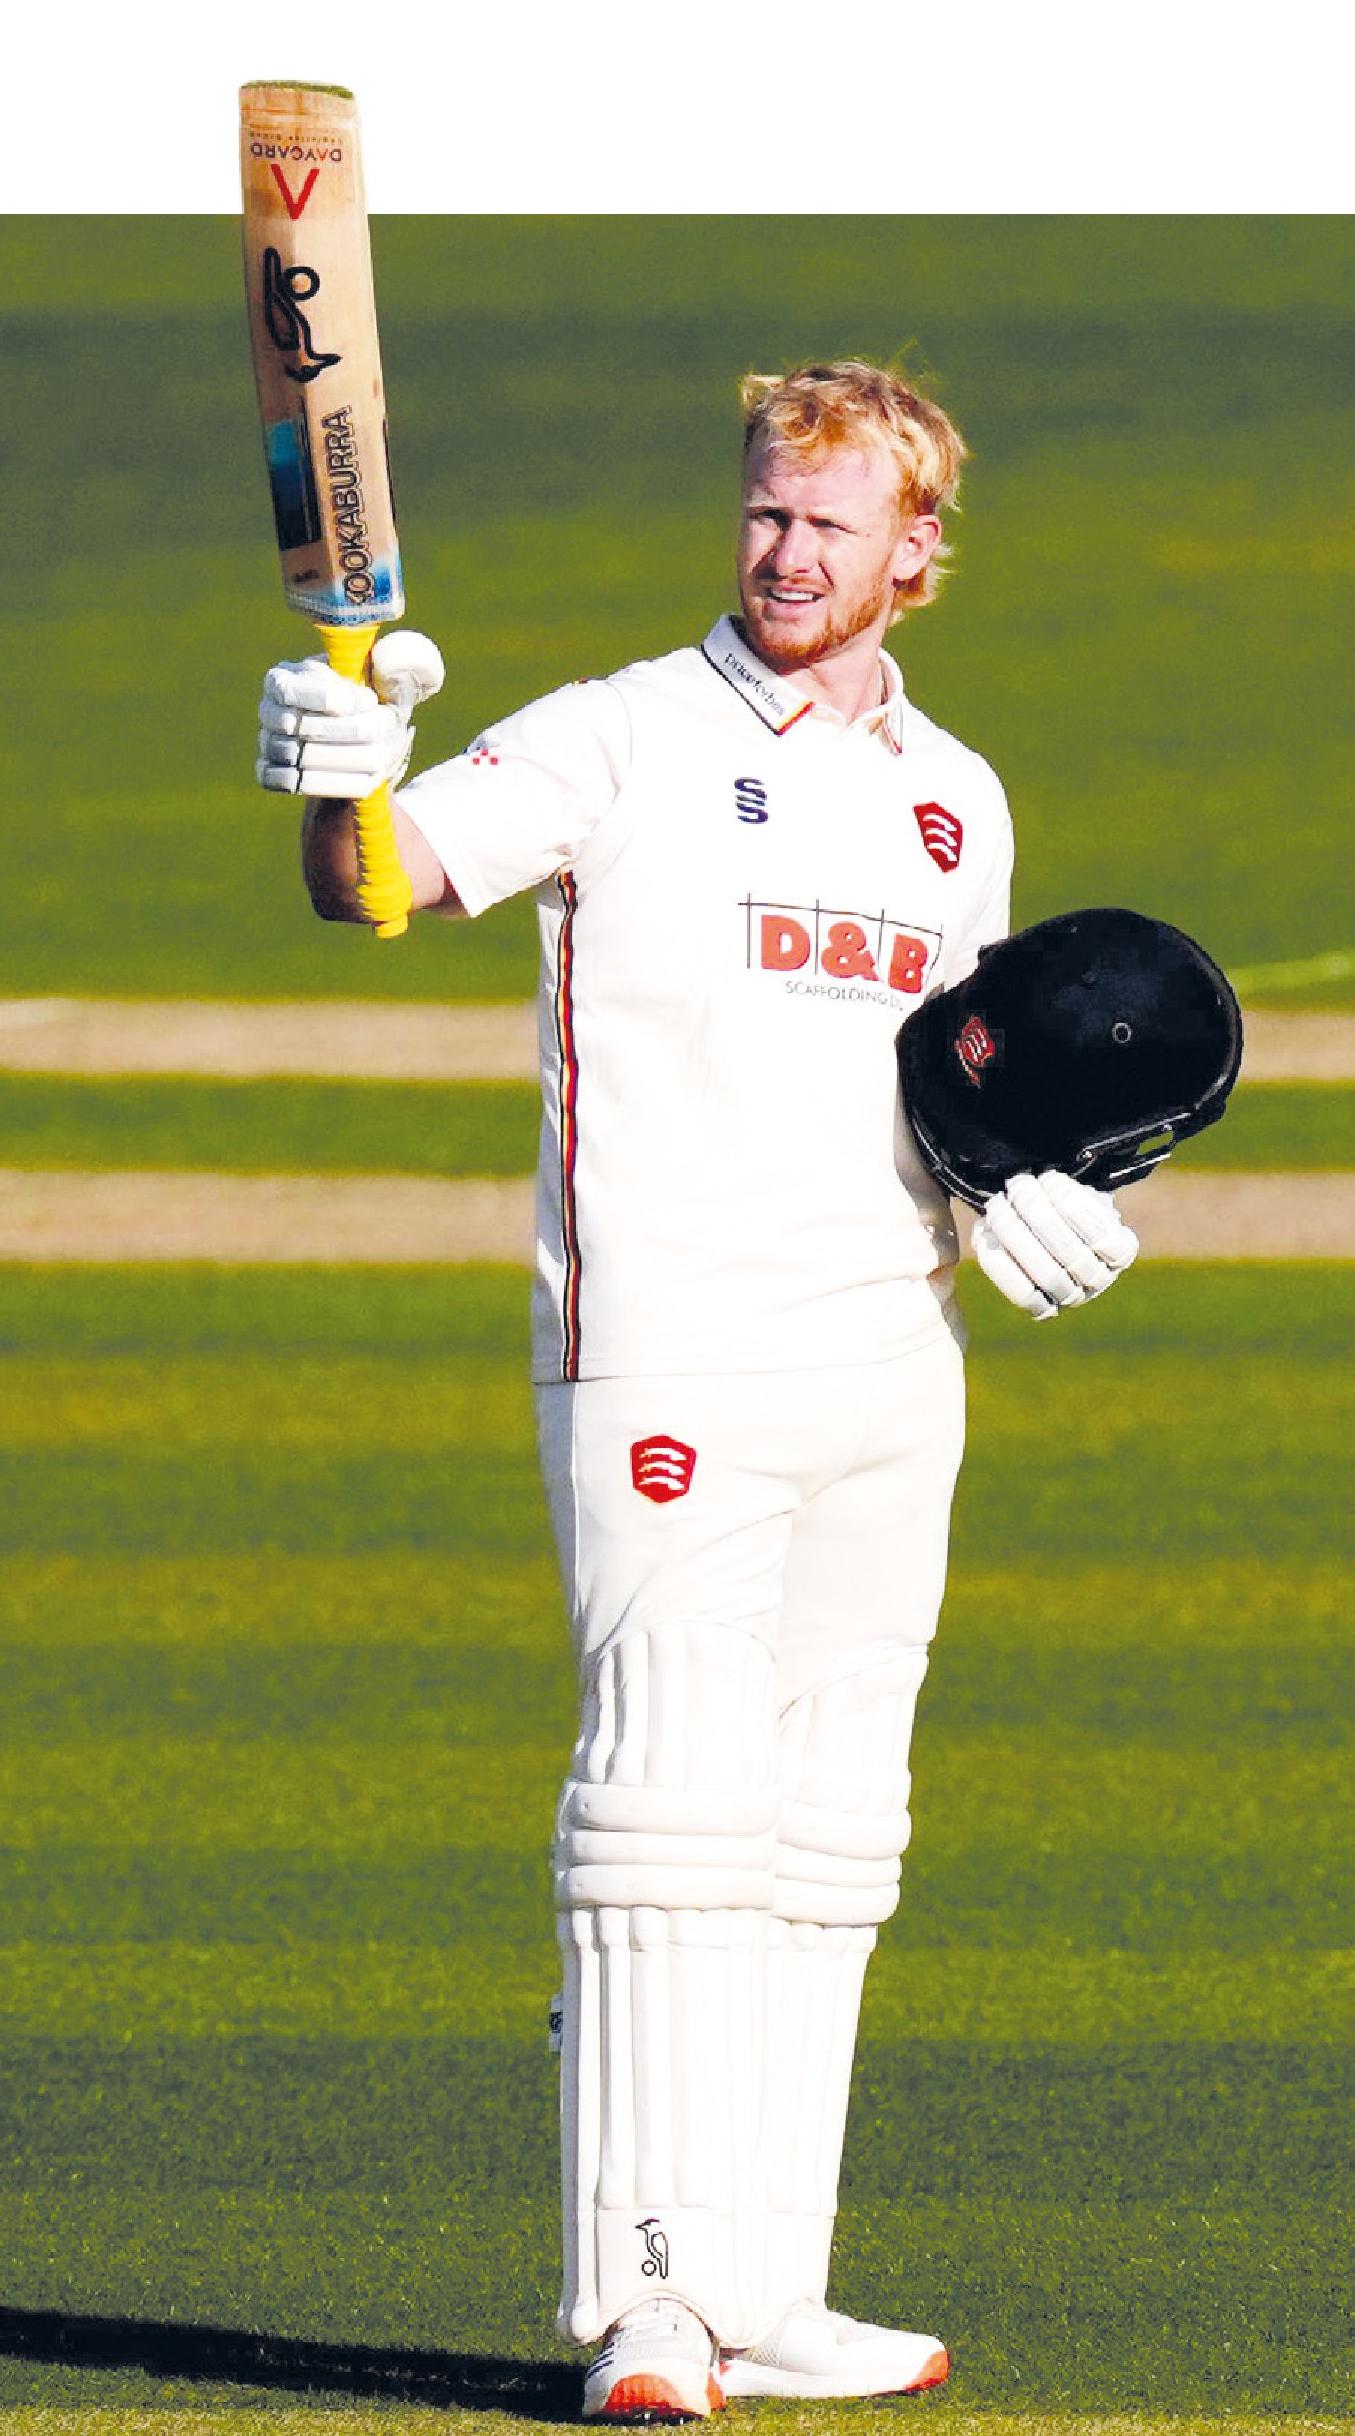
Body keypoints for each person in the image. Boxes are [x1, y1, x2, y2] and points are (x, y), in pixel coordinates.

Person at [257, 359, 1139, 2420]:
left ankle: (768, 2286)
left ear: (914, 551)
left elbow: (962, 1081)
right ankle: (652, 2307)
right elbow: (372, 882)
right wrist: (339, 770)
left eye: (830, 523)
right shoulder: (624, 733)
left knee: (830, 1832)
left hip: (892, 1364)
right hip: (666, 1347)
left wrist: (1038, 1191)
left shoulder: (958, 796)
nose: (785, 552)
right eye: (765, 510)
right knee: (668, 1810)